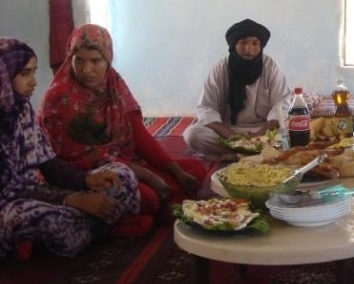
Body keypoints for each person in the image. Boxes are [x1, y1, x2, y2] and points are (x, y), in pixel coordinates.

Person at [40, 24, 207, 224]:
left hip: (125, 163)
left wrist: (176, 172)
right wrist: (149, 176)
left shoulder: (113, 84)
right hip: (82, 177)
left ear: (108, 60)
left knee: (194, 170)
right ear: (70, 59)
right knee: (148, 198)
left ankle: (139, 213)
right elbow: (78, 160)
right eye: (79, 61)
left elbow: (140, 136)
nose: (87, 70)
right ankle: (119, 222)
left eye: (96, 61)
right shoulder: (59, 99)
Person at [0, 37, 145, 261]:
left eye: (34, 72)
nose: (34, 82)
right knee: (43, 221)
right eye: (25, 73)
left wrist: (85, 181)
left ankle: (73, 232)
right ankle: (99, 226)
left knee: (121, 175)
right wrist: (74, 200)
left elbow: (48, 164)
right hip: (10, 205)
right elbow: (8, 192)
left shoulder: (21, 111)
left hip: (40, 192)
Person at [183, 18, 291, 160]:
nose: (249, 49)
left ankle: (235, 155)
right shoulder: (221, 68)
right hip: (229, 130)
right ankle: (255, 154)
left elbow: (281, 104)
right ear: (234, 44)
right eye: (243, 43)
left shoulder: (271, 67)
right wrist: (232, 136)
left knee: (292, 134)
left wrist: (258, 135)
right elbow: (206, 108)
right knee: (193, 135)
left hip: (265, 131)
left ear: (261, 46)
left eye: (254, 43)